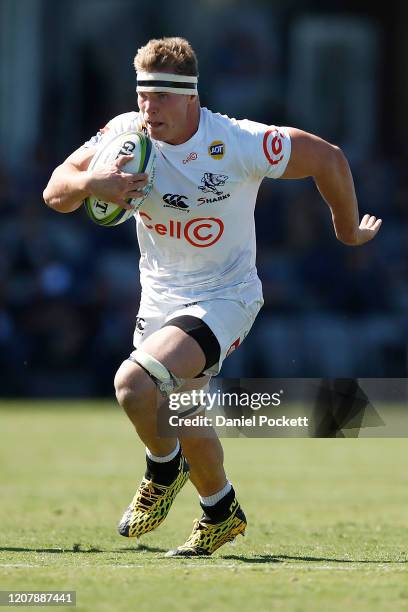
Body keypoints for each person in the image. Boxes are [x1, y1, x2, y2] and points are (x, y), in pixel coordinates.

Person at [43, 37, 382, 557]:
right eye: (142, 95)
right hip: (158, 299)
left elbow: (327, 158)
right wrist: (94, 181)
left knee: (134, 386)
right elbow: (55, 191)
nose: (148, 108)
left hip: (226, 297)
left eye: (160, 96)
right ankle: (220, 511)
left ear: (191, 99)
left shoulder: (237, 142)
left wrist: (347, 232)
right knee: (183, 412)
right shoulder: (124, 136)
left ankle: (162, 470)